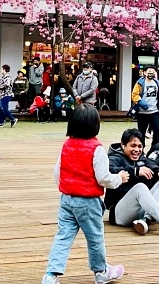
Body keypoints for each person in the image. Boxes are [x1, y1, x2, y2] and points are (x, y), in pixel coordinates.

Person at [41, 105, 126, 284]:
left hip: (66, 199)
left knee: (63, 236)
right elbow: (103, 178)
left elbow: (57, 172)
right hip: (88, 202)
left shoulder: (67, 145)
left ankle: (51, 275)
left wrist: (66, 188)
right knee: (95, 237)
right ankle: (101, 271)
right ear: (95, 125)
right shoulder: (96, 149)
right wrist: (118, 179)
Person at [105, 128, 159, 237]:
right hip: (119, 215)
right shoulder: (114, 157)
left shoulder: (142, 159)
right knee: (140, 187)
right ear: (123, 145)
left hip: (139, 211)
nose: (137, 150)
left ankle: (146, 220)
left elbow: (152, 165)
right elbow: (109, 171)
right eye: (133, 146)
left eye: (140, 146)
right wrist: (135, 171)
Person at [130, 66, 159, 148]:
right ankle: (141, 149)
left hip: (154, 111)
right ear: (144, 73)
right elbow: (134, 95)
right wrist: (141, 102)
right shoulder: (139, 83)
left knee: (157, 131)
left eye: (153, 71)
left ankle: (155, 148)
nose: (151, 73)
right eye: (149, 71)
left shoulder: (157, 83)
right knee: (141, 132)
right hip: (142, 112)